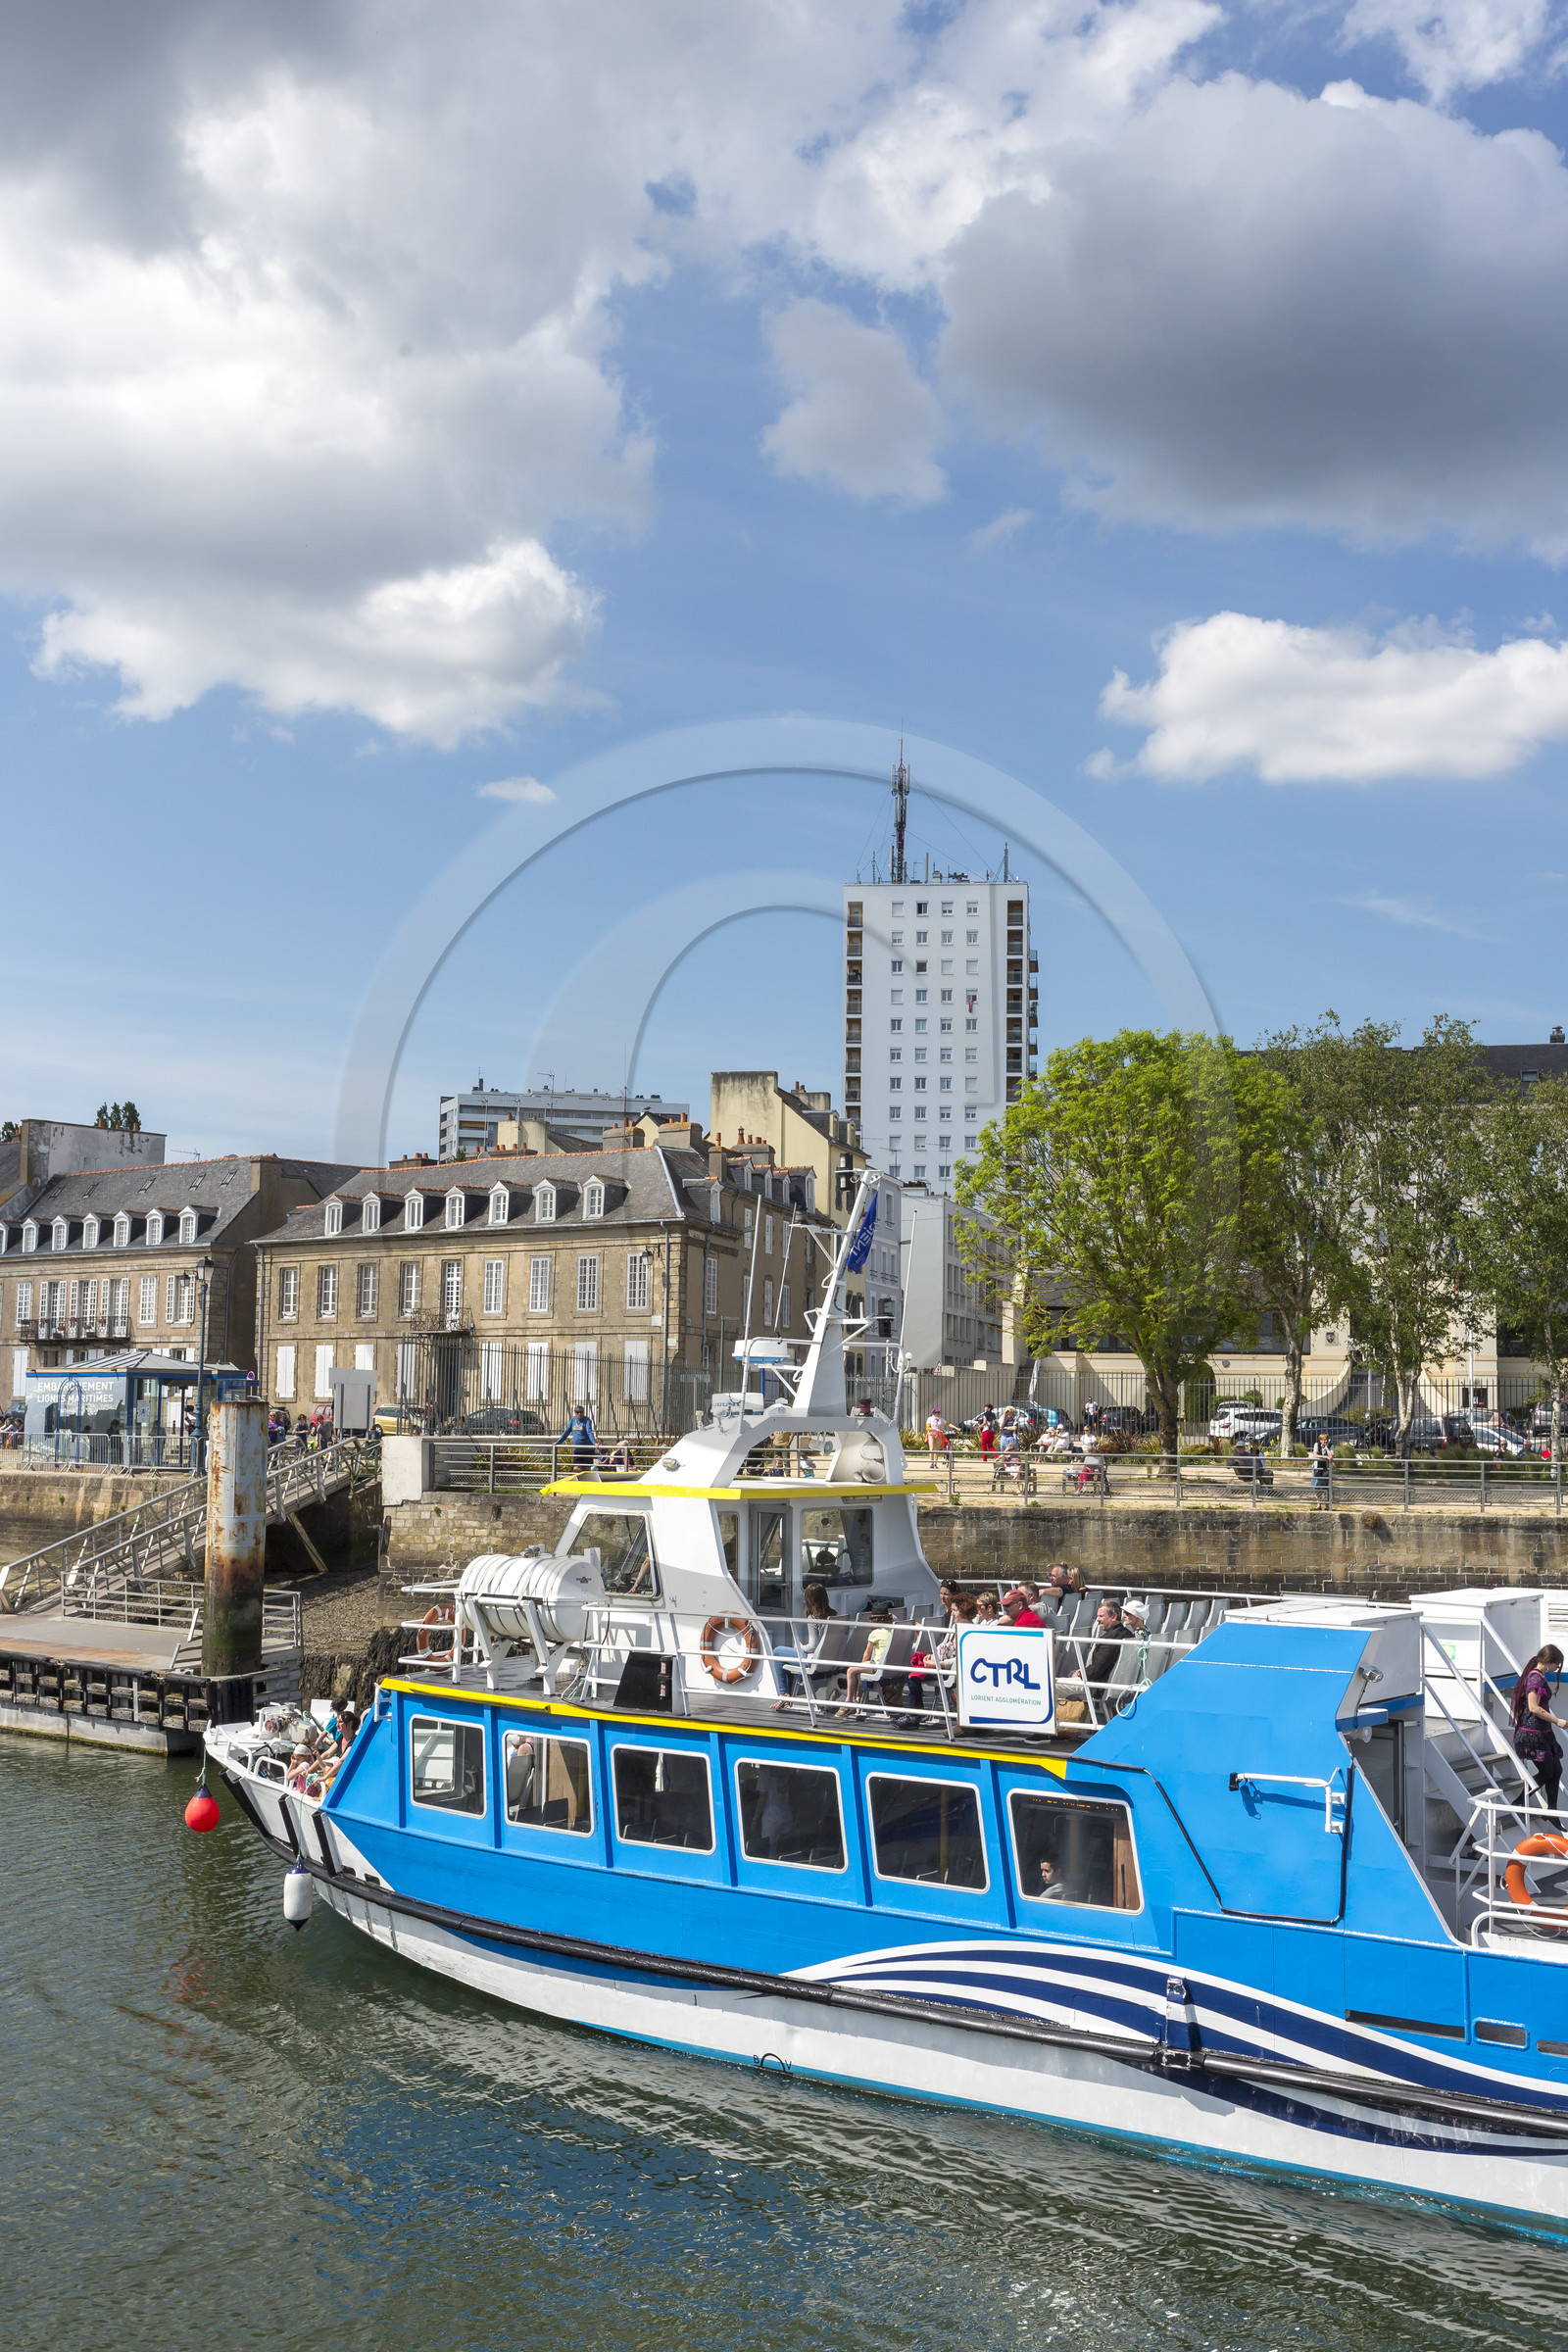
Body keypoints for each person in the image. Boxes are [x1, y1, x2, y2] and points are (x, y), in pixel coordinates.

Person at [900, 1592, 978, 1725]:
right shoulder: (955, 1627)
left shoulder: (971, 1633)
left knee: (912, 1677)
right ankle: (916, 1713)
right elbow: (944, 1645)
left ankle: (915, 1715)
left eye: (955, 1610)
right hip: (942, 1665)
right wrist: (932, 1655)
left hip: (951, 1671)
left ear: (964, 1610)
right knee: (911, 1674)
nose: (952, 1614)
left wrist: (940, 1663)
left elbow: (963, 1658)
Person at [1511, 1645, 1568, 1812]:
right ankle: (1519, 1801)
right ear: (1549, 1662)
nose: (1557, 1669)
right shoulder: (1535, 1679)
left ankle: (1552, 1812)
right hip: (1533, 1733)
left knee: (1556, 1770)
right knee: (1546, 1773)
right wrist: (1557, 1721)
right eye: (1556, 1665)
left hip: (1543, 1732)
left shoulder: (1540, 1676)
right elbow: (1534, 1707)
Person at [561, 1401, 596, 1474]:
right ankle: (580, 1482)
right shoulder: (573, 1420)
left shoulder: (587, 1420)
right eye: (577, 1412)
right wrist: (557, 1442)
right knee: (576, 1468)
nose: (579, 1414)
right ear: (575, 1413)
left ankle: (586, 1483)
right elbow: (566, 1432)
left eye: (581, 1412)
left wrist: (594, 1443)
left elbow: (589, 1432)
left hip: (587, 1450)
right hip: (577, 1450)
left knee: (586, 1469)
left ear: (583, 1413)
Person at [1309, 1432, 1334, 1509]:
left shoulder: (1331, 1446)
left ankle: (1327, 1505)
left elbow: (1331, 1456)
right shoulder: (1316, 1445)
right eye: (1324, 1440)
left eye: (1326, 1439)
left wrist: (1326, 1448)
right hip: (1317, 1469)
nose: (1325, 1441)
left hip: (1326, 1469)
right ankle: (1318, 1504)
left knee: (1326, 1487)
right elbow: (1315, 1455)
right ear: (1320, 1440)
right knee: (1317, 1487)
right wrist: (1325, 1457)